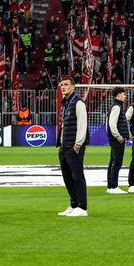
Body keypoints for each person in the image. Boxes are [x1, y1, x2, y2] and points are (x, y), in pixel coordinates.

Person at [57, 76, 89, 216]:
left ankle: (82, 207)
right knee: (67, 177)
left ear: (73, 87)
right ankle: (74, 204)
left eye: (66, 84)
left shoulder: (78, 103)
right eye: (62, 84)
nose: (63, 87)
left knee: (77, 176)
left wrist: (77, 144)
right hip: (64, 147)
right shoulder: (65, 103)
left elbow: (82, 124)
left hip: (74, 147)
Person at [106, 87, 130, 194]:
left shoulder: (116, 105)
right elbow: (112, 123)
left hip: (115, 138)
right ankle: (114, 186)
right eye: (123, 94)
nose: (125, 96)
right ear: (119, 95)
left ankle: (110, 186)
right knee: (117, 162)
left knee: (113, 162)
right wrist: (118, 136)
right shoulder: (117, 107)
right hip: (117, 139)